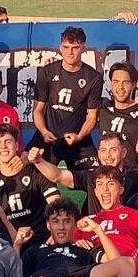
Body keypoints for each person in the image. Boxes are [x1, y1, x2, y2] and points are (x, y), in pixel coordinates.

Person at [31, 26, 103, 169]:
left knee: (96, 176)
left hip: (77, 139)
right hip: (48, 136)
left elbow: (92, 117)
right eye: (66, 47)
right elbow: (37, 110)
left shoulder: (93, 78)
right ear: (60, 47)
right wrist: (44, 132)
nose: (70, 52)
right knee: (29, 172)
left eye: (75, 47)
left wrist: (80, 136)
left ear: (83, 48)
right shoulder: (47, 72)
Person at [0, 124, 62, 234]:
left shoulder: (36, 172)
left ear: (17, 146)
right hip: (6, 242)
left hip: (41, 238)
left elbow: (55, 203)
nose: (3, 146)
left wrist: (54, 233)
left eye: (8, 142)